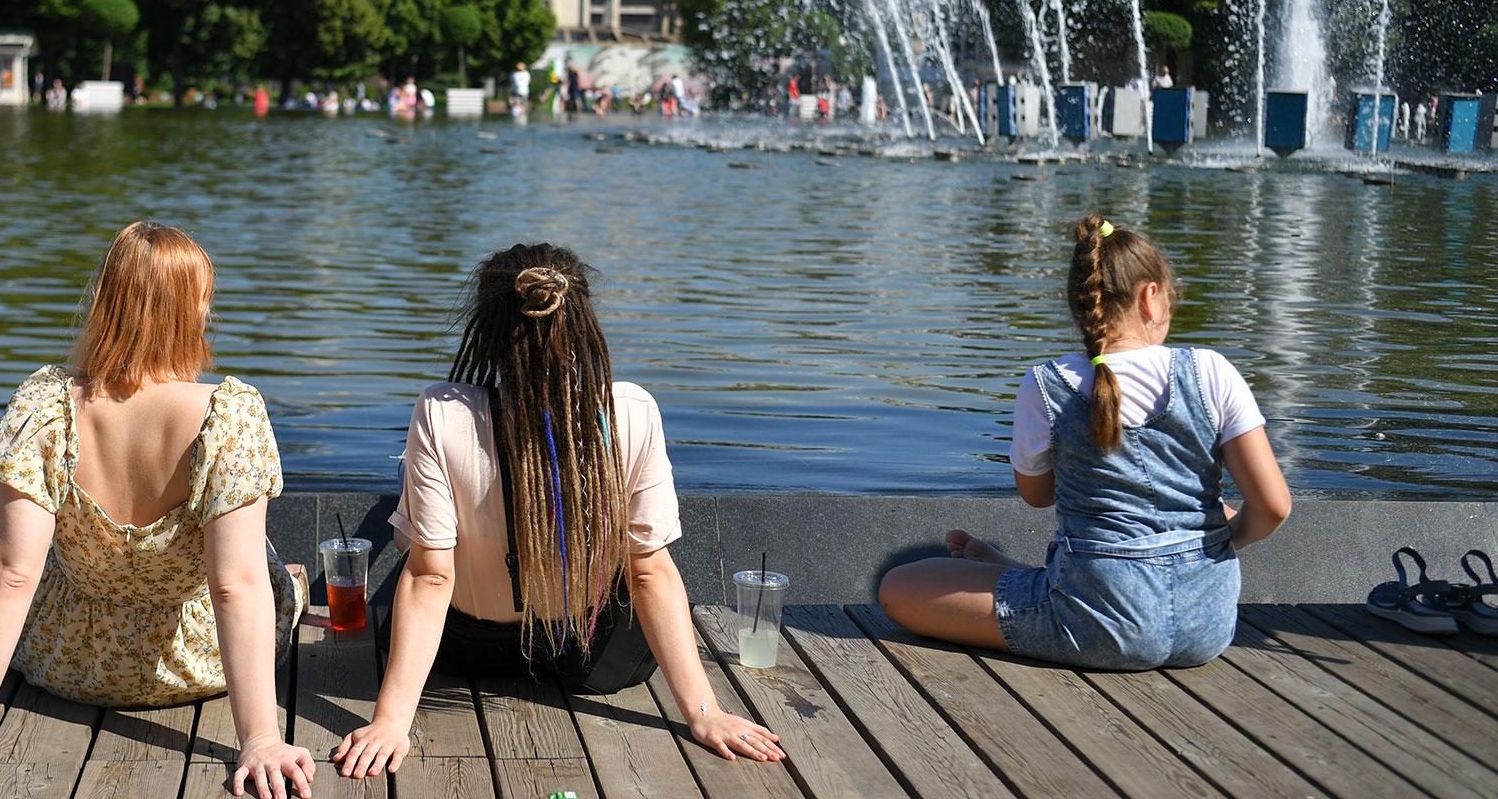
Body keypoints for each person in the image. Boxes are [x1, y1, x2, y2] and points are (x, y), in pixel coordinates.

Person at [0, 222, 311, 796]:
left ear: (106, 302)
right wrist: (259, 739)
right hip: (196, 667)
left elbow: (13, 573)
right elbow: (235, 586)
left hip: (67, 661)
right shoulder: (229, 415)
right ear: (190, 311)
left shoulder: (48, 404)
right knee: (257, 557)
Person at [334, 244, 785, 780]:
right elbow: (650, 572)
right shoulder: (631, 410)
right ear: (583, 323)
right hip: (591, 660)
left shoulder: (441, 411)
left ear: (487, 328)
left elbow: (432, 577)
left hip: (463, 654)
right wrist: (704, 715)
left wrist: (390, 723)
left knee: (416, 564)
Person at [878, 217, 1291, 670]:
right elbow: (1272, 507)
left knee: (897, 586)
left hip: (1095, 627)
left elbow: (1038, 496)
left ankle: (1026, 581)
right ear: (1150, 296)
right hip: (1207, 627)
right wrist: (1208, 538)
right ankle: (1022, 575)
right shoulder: (1212, 370)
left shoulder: (1046, 384)